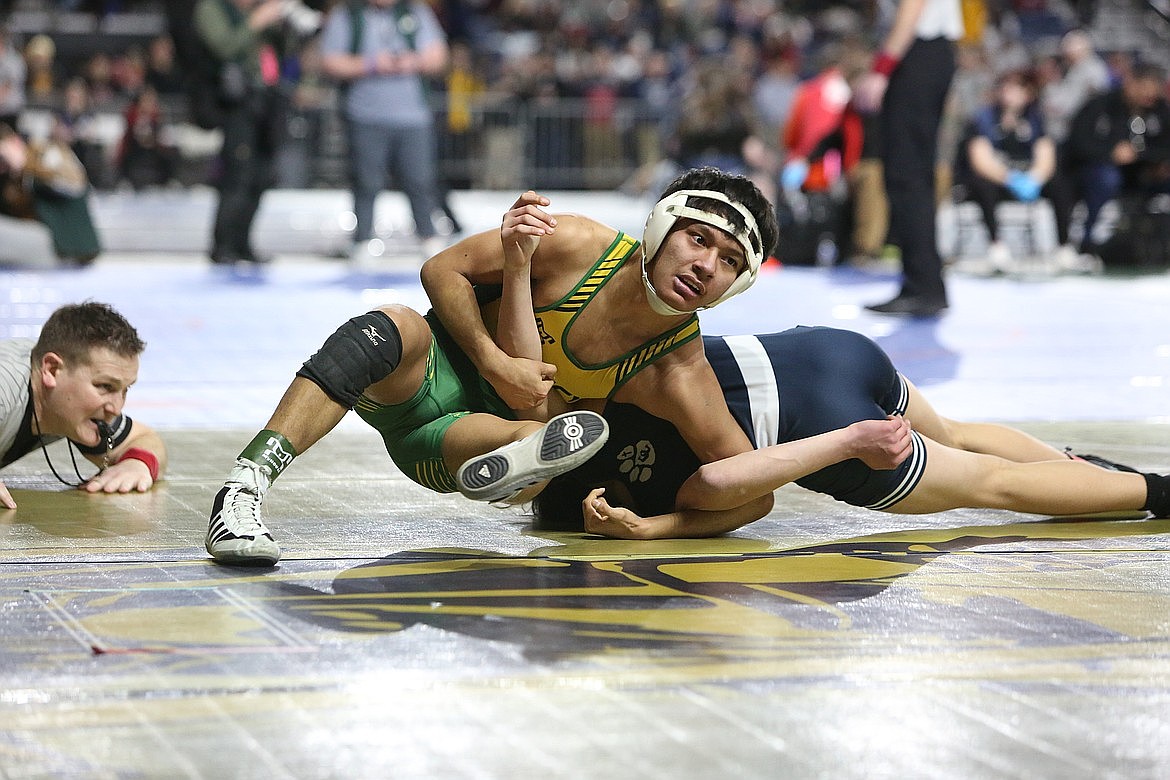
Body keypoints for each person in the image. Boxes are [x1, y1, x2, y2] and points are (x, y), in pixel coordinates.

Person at [204, 167, 780, 566]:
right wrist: (492, 358)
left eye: (728, 261)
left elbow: (753, 493)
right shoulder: (579, 244)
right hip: (422, 372)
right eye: (698, 239)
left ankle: (528, 465)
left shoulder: (678, 366)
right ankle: (242, 490)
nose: (705, 265)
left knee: (540, 434)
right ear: (661, 228)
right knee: (394, 322)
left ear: (740, 283)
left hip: (458, 440)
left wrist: (653, 530)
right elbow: (441, 268)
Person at [517, 326, 1170, 540]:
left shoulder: (607, 492)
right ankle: (1081, 468)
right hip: (824, 351)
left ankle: (1150, 491)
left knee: (993, 486)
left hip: (821, 426)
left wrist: (654, 530)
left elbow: (748, 496)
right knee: (964, 435)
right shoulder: (588, 384)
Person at [319, 0, 452, 264]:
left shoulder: (415, 13)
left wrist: (412, 62)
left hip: (413, 116)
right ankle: (362, 239)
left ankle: (428, 236)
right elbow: (330, 61)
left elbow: (438, 56)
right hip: (365, 115)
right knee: (366, 181)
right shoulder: (349, 15)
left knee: (420, 179)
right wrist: (372, 65)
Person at [0, 302, 168, 510]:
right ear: (51, 370)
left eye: (125, 389)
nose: (115, 408)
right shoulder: (6, 387)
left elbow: (144, 438)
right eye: (105, 386)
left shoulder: (70, 406)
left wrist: (137, 463)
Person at [854, 0, 963, 317]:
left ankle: (923, 286)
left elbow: (912, 8)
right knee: (912, 173)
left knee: (906, 173)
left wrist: (881, 70)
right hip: (926, 54)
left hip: (917, 53)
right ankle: (923, 283)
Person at [956, 68, 1096, 275]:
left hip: (1027, 180)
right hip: (998, 180)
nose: (1009, 92)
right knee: (981, 185)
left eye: (1017, 88)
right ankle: (997, 248)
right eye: (1006, 87)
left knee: (1061, 184)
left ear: (1028, 93)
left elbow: (1045, 154)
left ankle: (1064, 248)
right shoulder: (984, 118)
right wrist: (1010, 179)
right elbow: (981, 159)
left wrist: (1034, 178)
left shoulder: (1036, 119)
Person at [194, 0, 288, 265]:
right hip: (236, 104)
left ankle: (243, 244)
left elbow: (281, 51)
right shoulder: (212, 8)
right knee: (238, 175)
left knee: (260, 175)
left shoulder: (257, 9)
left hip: (266, 101)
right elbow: (224, 47)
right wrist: (256, 21)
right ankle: (223, 246)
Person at [1061, 62, 1170, 257]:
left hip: (1144, 173)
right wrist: (1110, 153)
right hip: (1100, 171)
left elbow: (1164, 145)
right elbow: (1078, 143)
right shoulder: (1101, 105)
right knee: (1106, 179)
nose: (1149, 97)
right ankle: (1087, 242)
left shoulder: (1159, 110)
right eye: (1144, 89)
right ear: (1130, 83)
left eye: (1153, 92)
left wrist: (1147, 157)